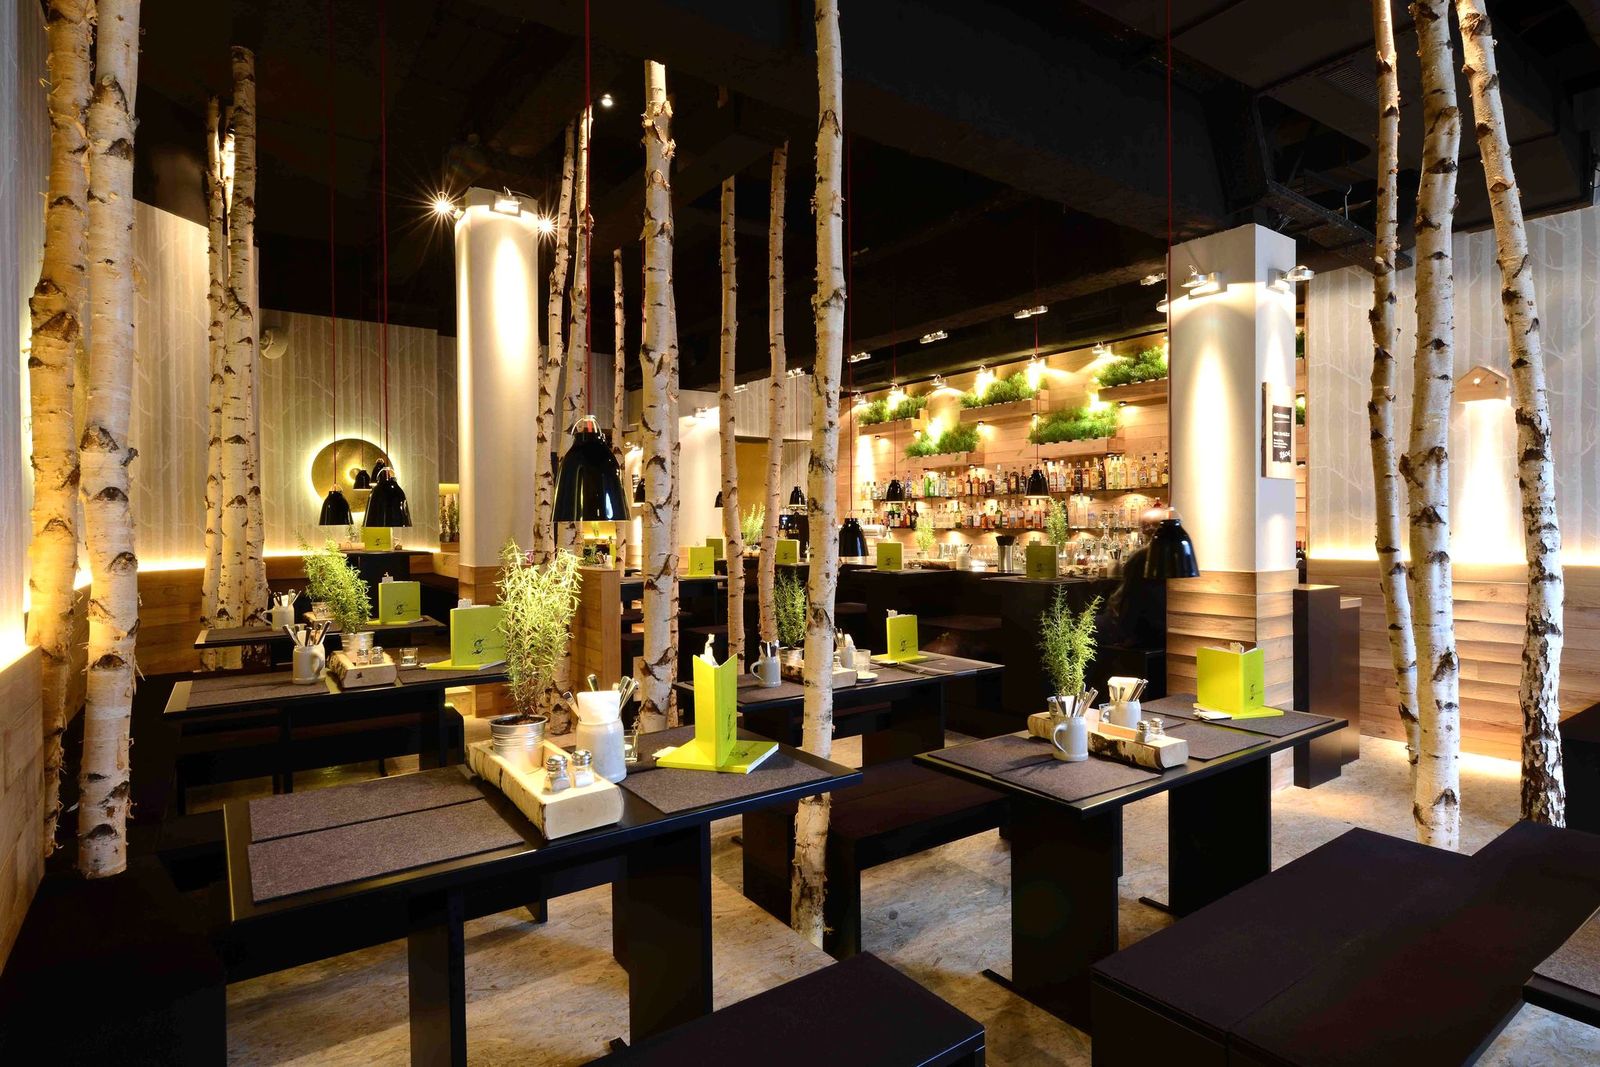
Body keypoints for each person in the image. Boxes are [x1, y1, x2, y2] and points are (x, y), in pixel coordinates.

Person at [1098, 506, 1168, 649]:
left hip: (1139, 631)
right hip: (1161, 630)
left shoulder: (1141, 557)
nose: (1146, 529)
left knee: (1086, 625)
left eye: (1149, 525)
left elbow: (1129, 603)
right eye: (1144, 525)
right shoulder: (1178, 556)